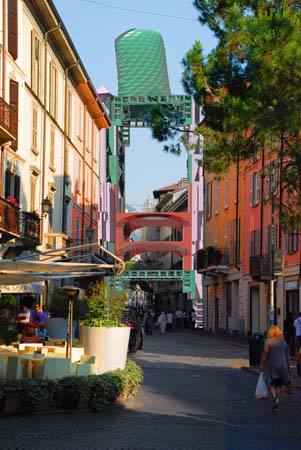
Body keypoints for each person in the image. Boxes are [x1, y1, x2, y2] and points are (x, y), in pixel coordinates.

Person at [260, 325, 290, 410]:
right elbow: (287, 356)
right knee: (279, 384)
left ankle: (275, 398)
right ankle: (277, 398)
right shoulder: (284, 342)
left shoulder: (268, 341)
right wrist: (288, 368)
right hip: (283, 366)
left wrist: (261, 365)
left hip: (271, 366)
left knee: (269, 382)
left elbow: (264, 354)